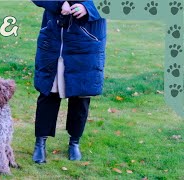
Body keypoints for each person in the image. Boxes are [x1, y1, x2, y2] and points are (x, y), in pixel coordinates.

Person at [31, 0, 107, 163]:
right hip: (53, 38)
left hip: (87, 40)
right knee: (48, 92)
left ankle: (74, 142)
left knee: (81, 95)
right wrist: (59, 5)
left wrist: (89, 8)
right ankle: (40, 143)